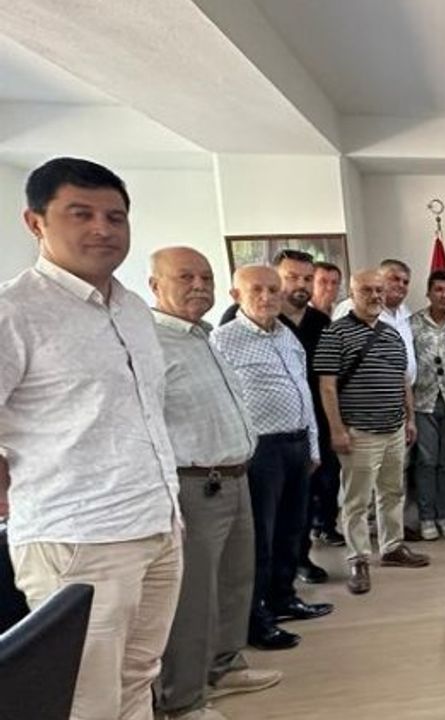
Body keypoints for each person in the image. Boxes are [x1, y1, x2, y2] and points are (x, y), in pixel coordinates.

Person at [1, 157, 182, 720]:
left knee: (138, 677)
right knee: (84, 698)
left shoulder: (132, 309)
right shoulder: (14, 312)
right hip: (78, 537)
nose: (103, 229)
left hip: (157, 523)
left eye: (115, 216)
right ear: (36, 222)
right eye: (80, 214)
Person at [149, 247, 281, 720]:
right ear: (155, 285)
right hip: (192, 485)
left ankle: (224, 666)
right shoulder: (149, 343)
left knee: (234, 581)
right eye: (185, 277)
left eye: (205, 277)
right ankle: (183, 699)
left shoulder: (205, 337)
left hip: (234, 476)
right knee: (193, 597)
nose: (198, 286)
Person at [210, 266, 333, 651]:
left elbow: (303, 391)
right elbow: (219, 404)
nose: (267, 297)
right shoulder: (222, 340)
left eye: (273, 290)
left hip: (297, 446)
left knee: (292, 530)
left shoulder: (287, 335)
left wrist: (313, 445)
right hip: (259, 452)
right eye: (256, 290)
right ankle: (256, 618)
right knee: (259, 539)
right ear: (236, 295)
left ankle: (284, 597)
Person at [219, 251, 339, 577]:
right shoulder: (227, 332)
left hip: (306, 428)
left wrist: (316, 439)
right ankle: (264, 596)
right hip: (261, 445)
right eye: (291, 277)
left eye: (307, 278)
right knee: (264, 523)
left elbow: (310, 383)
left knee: (297, 514)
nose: (299, 285)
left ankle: (293, 574)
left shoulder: (306, 327)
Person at [316, 269, 430, 595]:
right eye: (366, 290)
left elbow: (402, 381)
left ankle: (392, 547)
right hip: (359, 432)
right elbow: (327, 387)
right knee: (356, 501)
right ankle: (358, 559)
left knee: (393, 492)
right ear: (352, 293)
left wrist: (410, 420)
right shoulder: (335, 333)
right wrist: (337, 430)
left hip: (394, 429)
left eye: (379, 290)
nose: (375, 296)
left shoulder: (392, 334)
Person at [408, 270, 445, 541]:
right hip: (422, 401)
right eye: (439, 290)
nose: (444, 295)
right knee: (426, 461)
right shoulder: (412, 323)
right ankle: (427, 517)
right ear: (429, 293)